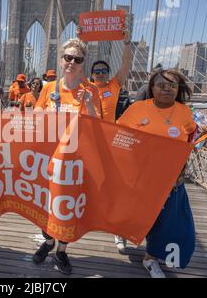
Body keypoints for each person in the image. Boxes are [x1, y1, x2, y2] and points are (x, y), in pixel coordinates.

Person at [117, 69, 197, 278]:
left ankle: (150, 258)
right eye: (161, 85)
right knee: (134, 216)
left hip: (172, 180)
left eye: (172, 86)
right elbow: (118, 137)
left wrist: (197, 142)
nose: (167, 89)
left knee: (171, 222)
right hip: (141, 178)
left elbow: (191, 138)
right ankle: (122, 233)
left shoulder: (185, 112)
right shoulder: (137, 109)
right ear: (152, 87)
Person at [33, 38, 101, 275]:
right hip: (47, 158)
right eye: (68, 57)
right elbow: (35, 118)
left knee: (66, 207)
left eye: (77, 59)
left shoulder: (90, 90)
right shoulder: (49, 88)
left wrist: (90, 106)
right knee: (45, 202)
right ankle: (48, 242)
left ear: (83, 64)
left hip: (74, 162)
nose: (72, 62)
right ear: (61, 61)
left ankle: (61, 249)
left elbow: (98, 128)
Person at [77, 25, 132, 250]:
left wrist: (127, 43)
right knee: (85, 182)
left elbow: (126, 66)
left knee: (115, 185)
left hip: (111, 142)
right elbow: (75, 66)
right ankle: (80, 220)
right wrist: (81, 41)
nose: (100, 74)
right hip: (89, 142)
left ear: (108, 74)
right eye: (96, 71)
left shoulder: (114, 85)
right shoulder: (86, 86)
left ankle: (119, 232)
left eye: (103, 71)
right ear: (91, 74)